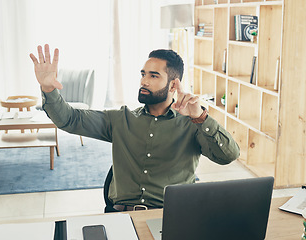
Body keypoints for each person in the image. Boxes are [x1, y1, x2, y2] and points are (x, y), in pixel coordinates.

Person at [30, 44, 240, 212]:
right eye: (143, 74)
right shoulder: (121, 118)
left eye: (153, 76)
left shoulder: (193, 124)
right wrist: (48, 87)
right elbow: (70, 119)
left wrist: (201, 117)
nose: (143, 81)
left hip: (170, 216)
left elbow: (228, 156)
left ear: (173, 85)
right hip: (120, 214)